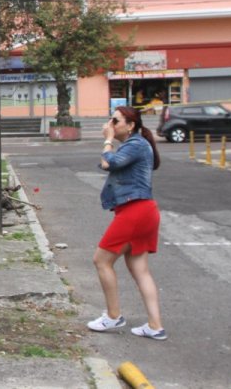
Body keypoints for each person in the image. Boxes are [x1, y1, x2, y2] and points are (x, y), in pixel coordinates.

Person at [86, 105, 167, 341]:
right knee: (139, 269)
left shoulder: (136, 144)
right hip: (143, 210)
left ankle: (113, 315)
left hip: (135, 210)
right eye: (111, 120)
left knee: (101, 260)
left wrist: (108, 140)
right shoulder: (135, 145)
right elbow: (108, 163)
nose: (111, 124)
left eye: (116, 120)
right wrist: (111, 142)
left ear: (131, 125)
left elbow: (108, 163)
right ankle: (155, 325)